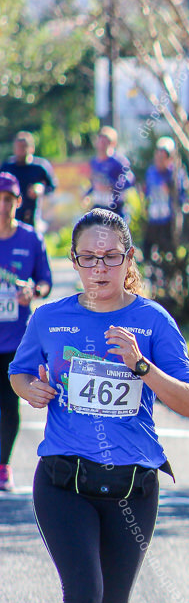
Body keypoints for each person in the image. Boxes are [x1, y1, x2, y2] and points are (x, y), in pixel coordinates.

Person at [9, 208, 189, 603]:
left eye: (110, 257)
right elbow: (17, 372)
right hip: (63, 481)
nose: (99, 269)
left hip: (131, 486)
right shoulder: (48, 319)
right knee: (83, 597)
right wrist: (31, 389)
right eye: (89, 258)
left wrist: (141, 364)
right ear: (73, 261)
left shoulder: (153, 321)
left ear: (128, 259)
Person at [0, 172, 52, 492]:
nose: (2, 206)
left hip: (15, 339)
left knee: (8, 404)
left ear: (18, 203)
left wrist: (32, 291)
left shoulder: (31, 239)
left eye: (8, 200)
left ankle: (3, 466)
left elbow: (44, 282)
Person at [142, 136, 189, 264]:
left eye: (164, 157)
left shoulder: (176, 174)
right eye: (158, 156)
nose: (160, 160)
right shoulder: (151, 172)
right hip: (154, 218)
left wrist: (172, 191)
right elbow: (147, 192)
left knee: (170, 251)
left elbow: (183, 197)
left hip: (169, 220)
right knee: (147, 250)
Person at [0, 131, 58, 229]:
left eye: (24, 147)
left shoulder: (40, 167)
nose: (20, 150)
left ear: (32, 148)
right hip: (10, 215)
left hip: (32, 214)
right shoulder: (7, 167)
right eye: (18, 147)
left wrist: (41, 189)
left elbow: (52, 186)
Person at [85, 127, 134, 218]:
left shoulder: (119, 161)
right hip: (99, 206)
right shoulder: (94, 162)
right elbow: (94, 183)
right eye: (100, 141)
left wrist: (111, 186)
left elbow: (129, 180)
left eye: (106, 142)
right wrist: (87, 194)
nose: (102, 145)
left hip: (115, 207)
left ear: (112, 143)